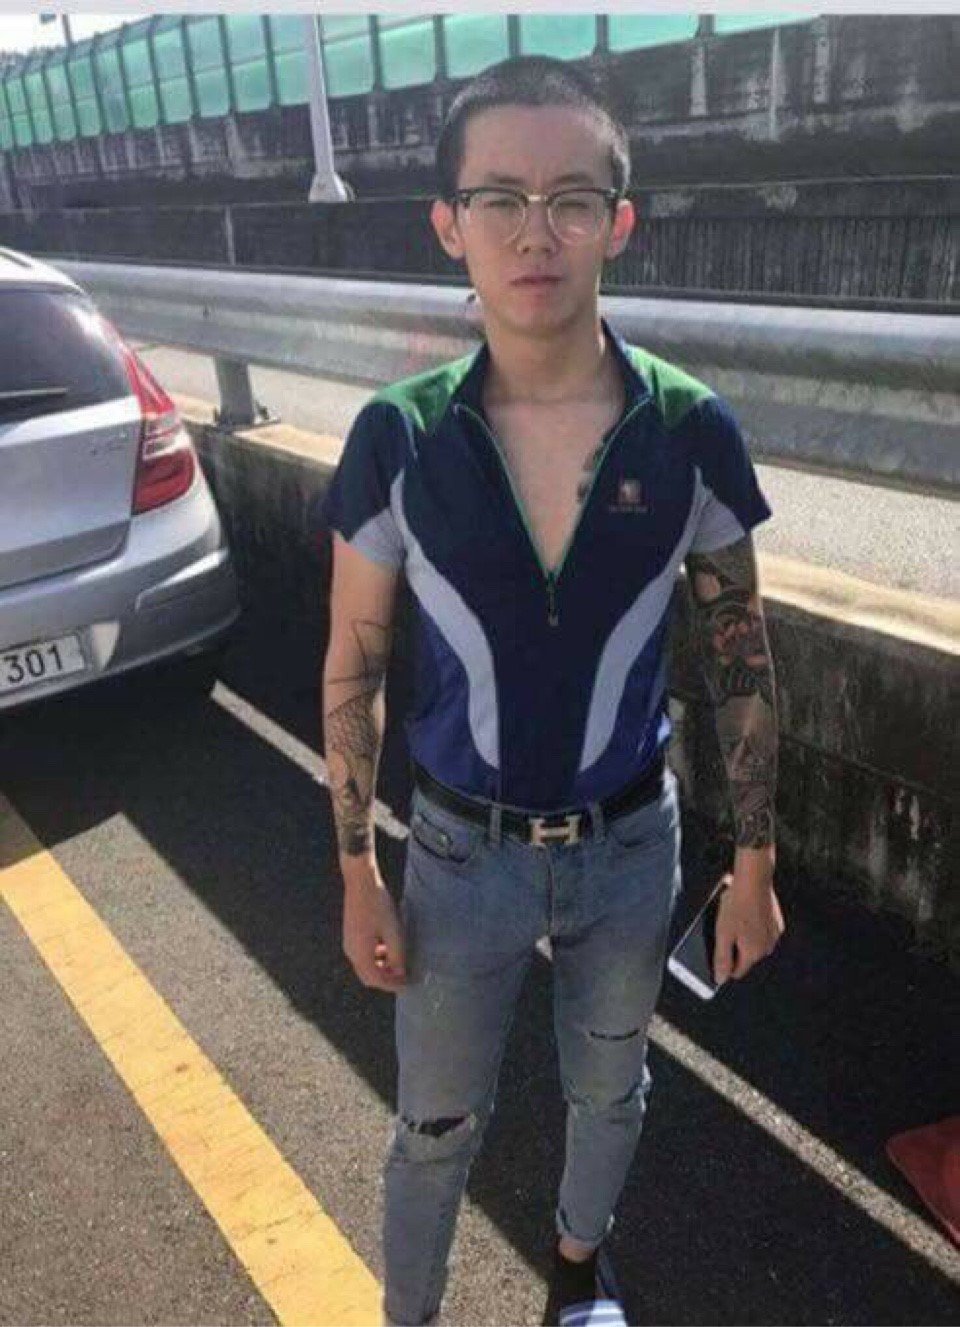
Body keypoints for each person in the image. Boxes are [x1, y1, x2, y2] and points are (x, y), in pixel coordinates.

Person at [320, 55, 785, 1327]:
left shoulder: (690, 428)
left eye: (572, 199)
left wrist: (754, 863)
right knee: (433, 1123)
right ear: (448, 224)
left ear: (617, 223)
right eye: (500, 199)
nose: (537, 233)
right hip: (457, 854)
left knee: (611, 1089)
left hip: (631, 848)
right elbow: (355, 659)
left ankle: (577, 1273)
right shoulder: (398, 436)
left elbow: (740, 660)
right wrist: (357, 864)